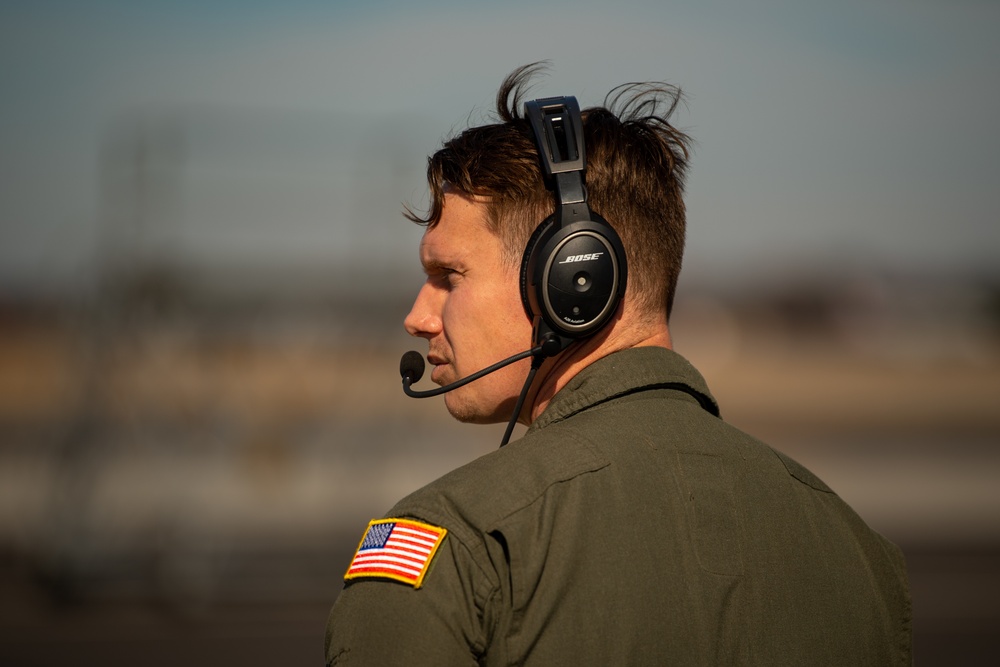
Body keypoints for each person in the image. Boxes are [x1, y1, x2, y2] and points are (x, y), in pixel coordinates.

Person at [325, 64, 912, 666]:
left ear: (572, 283)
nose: (418, 317)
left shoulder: (460, 546)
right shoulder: (858, 551)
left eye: (448, 276)